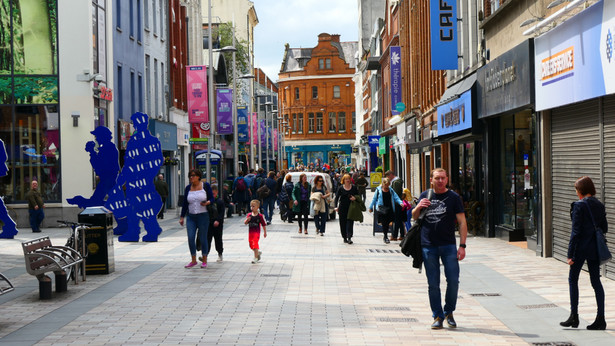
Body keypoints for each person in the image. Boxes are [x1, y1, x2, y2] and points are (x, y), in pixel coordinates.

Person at [412, 168, 467, 329]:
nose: (441, 181)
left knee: (453, 281)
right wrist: (418, 207)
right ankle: (437, 315)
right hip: (428, 246)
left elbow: (462, 222)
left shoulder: (453, 197)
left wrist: (462, 246)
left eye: (443, 178)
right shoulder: (425, 195)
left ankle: (449, 311)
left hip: (449, 245)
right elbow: (414, 217)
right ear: (431, 180)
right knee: (433, 283)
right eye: (437, 178)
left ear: (447, 179)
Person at [560, 176, 607, 330]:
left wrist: (570, 254)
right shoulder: (599, 205)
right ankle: (601, 319)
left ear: (581, 190)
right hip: (594, 250)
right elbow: (604, 228)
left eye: (576, 190)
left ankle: (574, 317)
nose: (576, 193)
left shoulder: (579, 206)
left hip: (579, 250)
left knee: (573, 279)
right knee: (596, 282)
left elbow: (575, 232)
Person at [67, 126, 120, 209]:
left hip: (107, 179)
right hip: (107, 179)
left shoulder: (108, 149)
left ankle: (78, 200)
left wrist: (92, 152)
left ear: (103, 136)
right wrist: (93, 152)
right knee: (98, 202)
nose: (96, 139)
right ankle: (79, 200)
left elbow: (99, 166)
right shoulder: (107, 148)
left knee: (95, 203)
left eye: (97, 136)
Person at [179, 169, 214, 269]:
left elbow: (212, 198)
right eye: (190, 176)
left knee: (203, 238)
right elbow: (185, 204)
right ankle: (193, 260)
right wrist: (182, 217)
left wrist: (207, 203)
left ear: (198, 176)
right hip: (191, 217)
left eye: (193, 175)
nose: (191, 177)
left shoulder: (205, 186)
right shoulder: (187, 188)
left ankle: (204, 259)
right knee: (190, 237)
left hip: (203, 216)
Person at [369, 177, 403, 244]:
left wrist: (400, 202)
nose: (387, 186)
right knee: (384, 223)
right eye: (386, 185)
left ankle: (386, 235)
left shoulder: (391, 190)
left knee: (388, 223)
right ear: (383, 184)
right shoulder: (378, 190)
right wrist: (370, 207)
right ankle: (385, 236)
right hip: (382, 209)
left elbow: (396, 197)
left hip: (390, 208)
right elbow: (374, 199)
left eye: (388, 185)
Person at [334, 174, 358, 244]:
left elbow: (358, 196)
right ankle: (344, 237)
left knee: (350, 223)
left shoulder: (354, 188)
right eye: (346, 179)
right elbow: (337, 198)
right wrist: (336, 206)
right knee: (343, 223)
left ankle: (349, 237)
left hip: (351, 208)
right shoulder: (341, 188)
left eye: (348, 179)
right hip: (342, 208)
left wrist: (355, 198)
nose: (347, 180)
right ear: (343, 180)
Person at [205, 185, 225, 263]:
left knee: (218, 239)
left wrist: (218, 220)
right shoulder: (208, 202)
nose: (212, 195)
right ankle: (205, 254)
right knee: (207, 239)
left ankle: (220, 253)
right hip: (209, 223)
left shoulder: (220, 201)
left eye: (213, 193)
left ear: (217, 193)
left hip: (217, 224)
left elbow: (221, 213)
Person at [244, 199, 267, 263]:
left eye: (253, 206)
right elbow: (245, 223)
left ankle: (255, 258)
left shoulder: (260, 216)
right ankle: (257, 252)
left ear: (257, 207)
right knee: (251, 245)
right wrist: (247, 220)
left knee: (255, 243)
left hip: (256, 233)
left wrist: (265, 232)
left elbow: (263, 224)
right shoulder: (249, 215)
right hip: (250, 233)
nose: (252, 208)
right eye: (251, 206)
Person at [386, 170, 405, 241]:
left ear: (391, 175)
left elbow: (395, 193)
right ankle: (401, 235)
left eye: (388, 176)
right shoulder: (395, 182)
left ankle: (395, 235)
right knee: (399, 220)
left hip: (396, 203)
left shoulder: (396, 182)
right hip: (397, 203)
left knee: (396, 219)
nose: (388, 178)